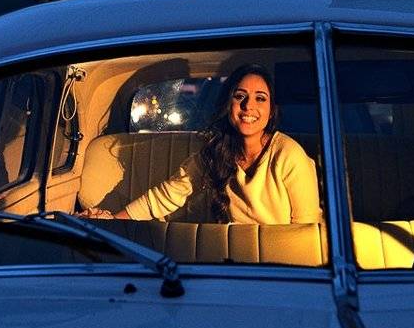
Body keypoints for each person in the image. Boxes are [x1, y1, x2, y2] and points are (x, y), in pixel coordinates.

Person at [89, 64, 322, 225]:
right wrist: (112, 221)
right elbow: (167, 195)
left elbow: (307, 228)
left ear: (271, 111)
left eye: (260, 98)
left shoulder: (289, 155)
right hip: (232, 262)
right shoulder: (216, 151)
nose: (249, 106)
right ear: (228, 104)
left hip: (286, 268)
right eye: (240, 96)